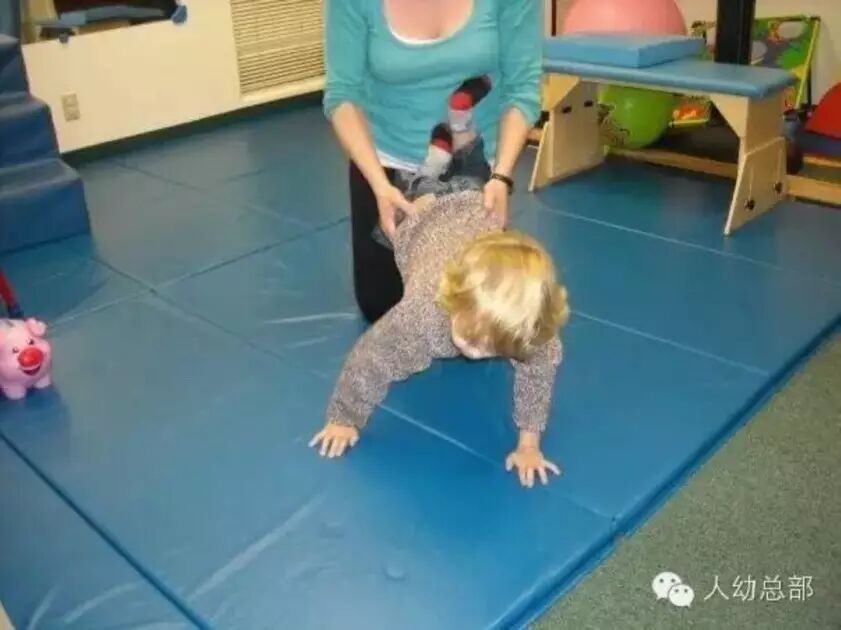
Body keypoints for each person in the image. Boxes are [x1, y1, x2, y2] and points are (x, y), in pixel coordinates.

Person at [310, 185, 570, 488]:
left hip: (478, 208)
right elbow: (371, 360)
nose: (474, 352)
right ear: (453, 303)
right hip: (419, 214)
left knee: (465, 169)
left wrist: (529, 445)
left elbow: (539, 369)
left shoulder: (527, 328)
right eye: (469, 337)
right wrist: (344, 418)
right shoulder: (423, 313)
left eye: (488, 347)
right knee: (375, 296)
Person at [323, 0, 543, 322]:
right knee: (385, 307)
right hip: (386, 172)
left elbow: (523, 89)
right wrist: (380, 186)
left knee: (471, 314)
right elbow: (343, 95)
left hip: (474, 171)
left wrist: (501, 176)